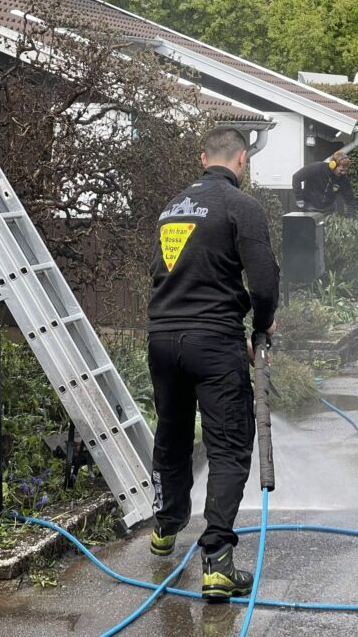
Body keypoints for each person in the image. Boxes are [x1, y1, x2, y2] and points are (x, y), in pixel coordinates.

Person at [146, 128, 279, 600]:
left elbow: (163, 271)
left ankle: (164, 525)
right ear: (242, 159)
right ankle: (218, 562)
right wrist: (260, 328)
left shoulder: (172, 207)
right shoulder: (241, 206)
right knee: (227, 444)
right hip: (213, 339)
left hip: (162, 339)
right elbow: (264, 281)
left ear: (204, 159)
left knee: (173, 430)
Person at [291, 151, 357, 215]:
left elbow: (350, 198)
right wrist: (299, 198)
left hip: (328, 211)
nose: (343, 173)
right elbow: (296, 177)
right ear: (333, 165)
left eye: (345, 171)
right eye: (341, 170)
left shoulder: (343, 178)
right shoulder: (317, 168)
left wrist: (351, 215)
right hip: (310, 208)